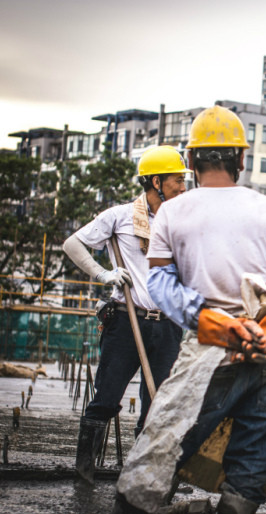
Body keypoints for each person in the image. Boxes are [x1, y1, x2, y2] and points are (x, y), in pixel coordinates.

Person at [112, 105, 266, 514]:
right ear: (241, 159)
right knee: (250, 467)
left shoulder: (171, 211)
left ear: (189, 161)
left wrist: (212, 322)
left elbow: (161, 283)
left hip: (212, 350)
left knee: (162, 451)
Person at [63, 145, 187, 483]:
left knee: (158, 405)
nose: (183, 186)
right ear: (156, 181)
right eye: (178, 179)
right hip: (126, 319)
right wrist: (104, 274)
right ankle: (85, 468)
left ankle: (143, 474)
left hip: (168, 326)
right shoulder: (119, 216)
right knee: (106, 396)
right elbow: (73, 244)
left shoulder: (183, 220)